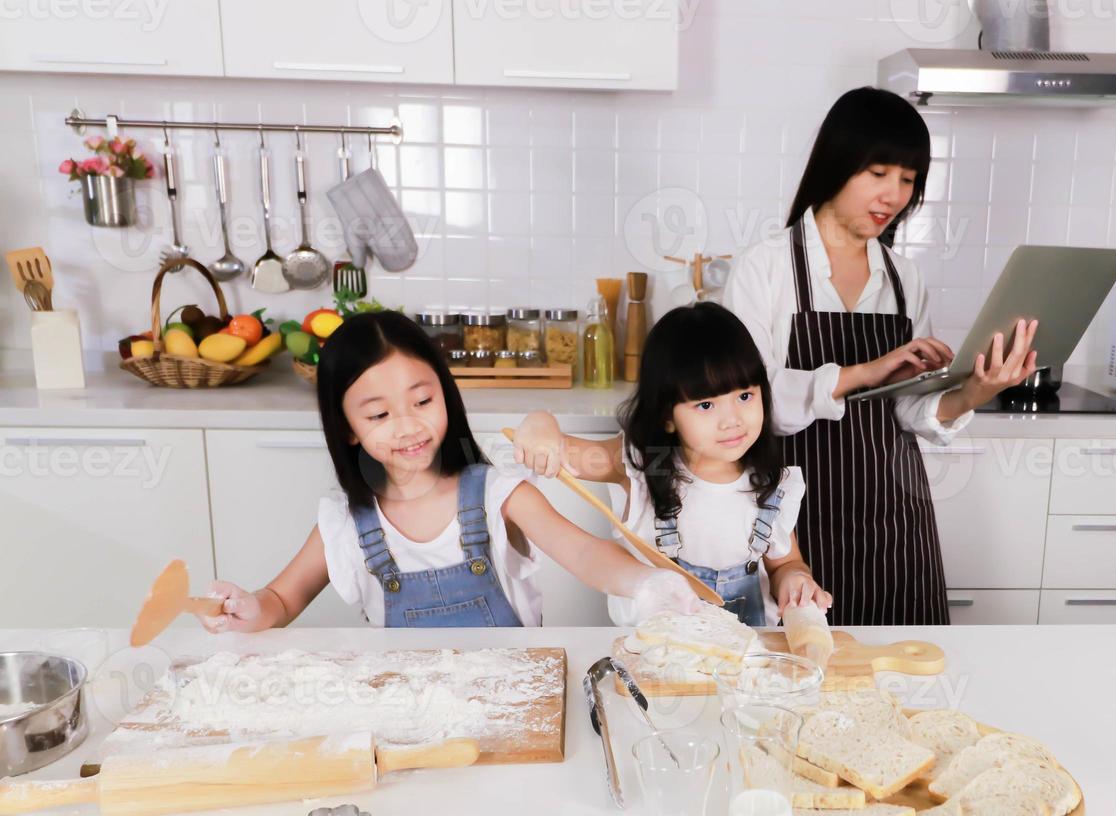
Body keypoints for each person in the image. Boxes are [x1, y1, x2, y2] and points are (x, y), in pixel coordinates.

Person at [724, 86, 1038, 625]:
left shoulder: (902, 277)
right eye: (878, 173)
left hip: (895, 519)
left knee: (902, 676)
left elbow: (911, 409)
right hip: (794, 523)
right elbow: (751, 406)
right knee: (806, 676)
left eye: (908, 180)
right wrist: (864, 371)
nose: (893, 194)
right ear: (837, 165)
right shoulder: (766, 267)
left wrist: (973, 392)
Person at [197, 311, 701, 631]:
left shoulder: (496, 494)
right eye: (378, 415)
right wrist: (250, 608)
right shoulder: (345, 521)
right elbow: (282, 600)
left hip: (513, 702)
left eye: (422, 400)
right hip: (407, 721)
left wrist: (645, 583)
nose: (408, 425)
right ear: (347, 427)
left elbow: (585, 551)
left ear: (445, 394)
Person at [513, 302, 831, 628]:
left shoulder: (772, 484)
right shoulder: (640, 465)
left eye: (745, 397)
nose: (732, 420)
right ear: (667, 416)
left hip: (744, 666)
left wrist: (796, 581)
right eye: (706, 405)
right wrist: (539, 423)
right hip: (653, 663)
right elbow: (562, 448)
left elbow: (784, 564)